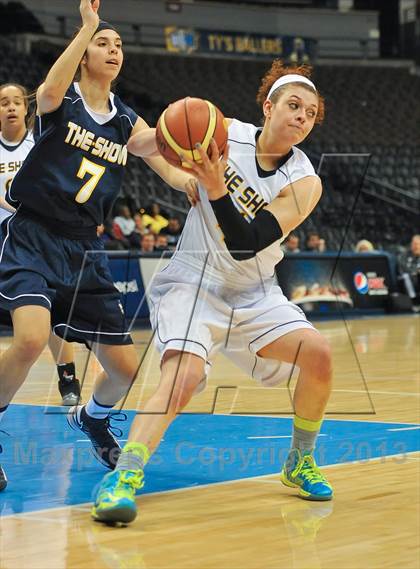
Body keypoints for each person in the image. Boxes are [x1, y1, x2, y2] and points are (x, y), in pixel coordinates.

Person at [92, 60, 334, 524]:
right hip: (193, 280)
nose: (302, 117)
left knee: (319, 353)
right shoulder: (219, 127)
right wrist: (156, 141)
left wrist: (213, 186)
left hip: (254, 289)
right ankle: (124, 475)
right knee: (181, 376)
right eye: (294, 105)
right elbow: (146, 142)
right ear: (269, 106)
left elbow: (246, 244)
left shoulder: (305, 182)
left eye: (311, 112)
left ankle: (299, 460)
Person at [0, 0, 195, 493]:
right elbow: (44, 91)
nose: (113, 51)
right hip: (34, 235)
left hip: (84, 250)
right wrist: (87, 26)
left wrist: (190, 180)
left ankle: (91, 417)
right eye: (103, 45)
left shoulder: (126, 122)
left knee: (125, 371)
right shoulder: (60, 103)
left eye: (118, 45)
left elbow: (162, 158)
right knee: (28, 338)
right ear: (84, 55)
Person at [0, 82, 82, 406]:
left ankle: (67, 375)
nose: (10, 107)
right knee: (33, 319)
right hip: (5, 236)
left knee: (49, 312)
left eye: (16, 101)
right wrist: (15, 204)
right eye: (3, 102)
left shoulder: (38, 142)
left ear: (26, 108)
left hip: (39, 237)